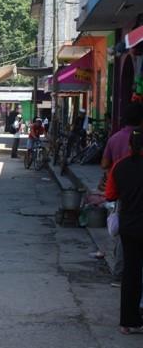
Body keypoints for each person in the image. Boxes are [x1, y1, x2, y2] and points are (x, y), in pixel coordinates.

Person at [105, 128, 143, 335]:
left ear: (129, 146)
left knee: (131, 274)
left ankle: (127, 323)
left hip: (129, 226)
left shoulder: (120, 166)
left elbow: (110, 195)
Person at [99, 103, 143, 276]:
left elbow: (104, 164)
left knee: (124, 237)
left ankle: (120, 272)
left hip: (122, 193)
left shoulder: (115, 138)